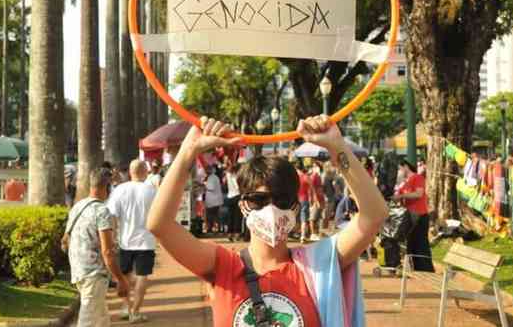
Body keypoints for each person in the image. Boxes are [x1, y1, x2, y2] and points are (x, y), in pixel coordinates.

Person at [147, 116, 388, 327]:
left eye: (281, 200)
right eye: (258, 199)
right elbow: (160, 225)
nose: (270, 208)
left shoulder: (319, 266)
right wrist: (189, 151)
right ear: (243, 204)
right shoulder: (223, 266)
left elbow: (373, 216)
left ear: (294, 206)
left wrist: (338, 147)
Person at [66, 168, 130, 327]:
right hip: (93, 274)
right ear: (106, 187)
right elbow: (107, 251)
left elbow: (65, 239)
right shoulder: (102, 211)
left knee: (101, 318)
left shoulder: (77, 207)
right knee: (87, 320)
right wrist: (120, 279)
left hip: (79, 270)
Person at [106, 160, 158, 323]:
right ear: (145, 172)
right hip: (146, 241)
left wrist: (113, 236)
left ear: (130, 172)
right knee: (143, 276)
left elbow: (112, 215)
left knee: (125, 276)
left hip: (125, 241)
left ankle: (126, 307)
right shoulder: (151, 190)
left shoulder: (120, 190)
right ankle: (135, 312)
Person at [392, 160, 434, 272]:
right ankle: (416, 269)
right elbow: (397, 196)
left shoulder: (417, 177)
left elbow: (419, 193)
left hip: (420, 216)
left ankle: (426, 270)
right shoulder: (404, 182)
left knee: (421, 244)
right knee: (411, 244)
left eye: (400, 168)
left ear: (406, 166)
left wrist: (402, 195)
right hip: (409, 217)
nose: (399, 171)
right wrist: (398, 198)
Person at [224, 161, 242, 242]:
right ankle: (237, 233)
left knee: (230, 216)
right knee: (237, 216)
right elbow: (237, 186)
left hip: (229, 196)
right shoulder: (235, 176)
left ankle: (229, 233)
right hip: (237, 196)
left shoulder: (228, 174)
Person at [295, 160, 313, 244]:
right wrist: (312, 198)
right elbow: (311, 188)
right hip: (304, 199)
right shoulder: (305, 176)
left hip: (295, 200)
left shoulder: (294, 177)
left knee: (295, 217)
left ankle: (297, 233)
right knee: (304, 218)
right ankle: (302, 236)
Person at [204, 164, 224, 234]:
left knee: (211, 216)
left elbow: (211, 188)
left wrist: (204, 185)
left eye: (207, 169)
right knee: (215, 216)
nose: (206, 171)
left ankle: (212, 229)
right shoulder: (214, 177)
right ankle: (216, 229)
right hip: (215, 201)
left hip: (213, 201)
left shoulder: (212, 178)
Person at [309, 162, 324, 241]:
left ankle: (316, 233)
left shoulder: (318, 176)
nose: (315, 167)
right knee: (313, 217)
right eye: (314, 166)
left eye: (316, 166)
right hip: (316, 199)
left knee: (318, 217)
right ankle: (313, 233)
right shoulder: (314, 176)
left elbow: (319, 188)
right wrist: (315, 200)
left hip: (319, 198)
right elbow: (312, 189)